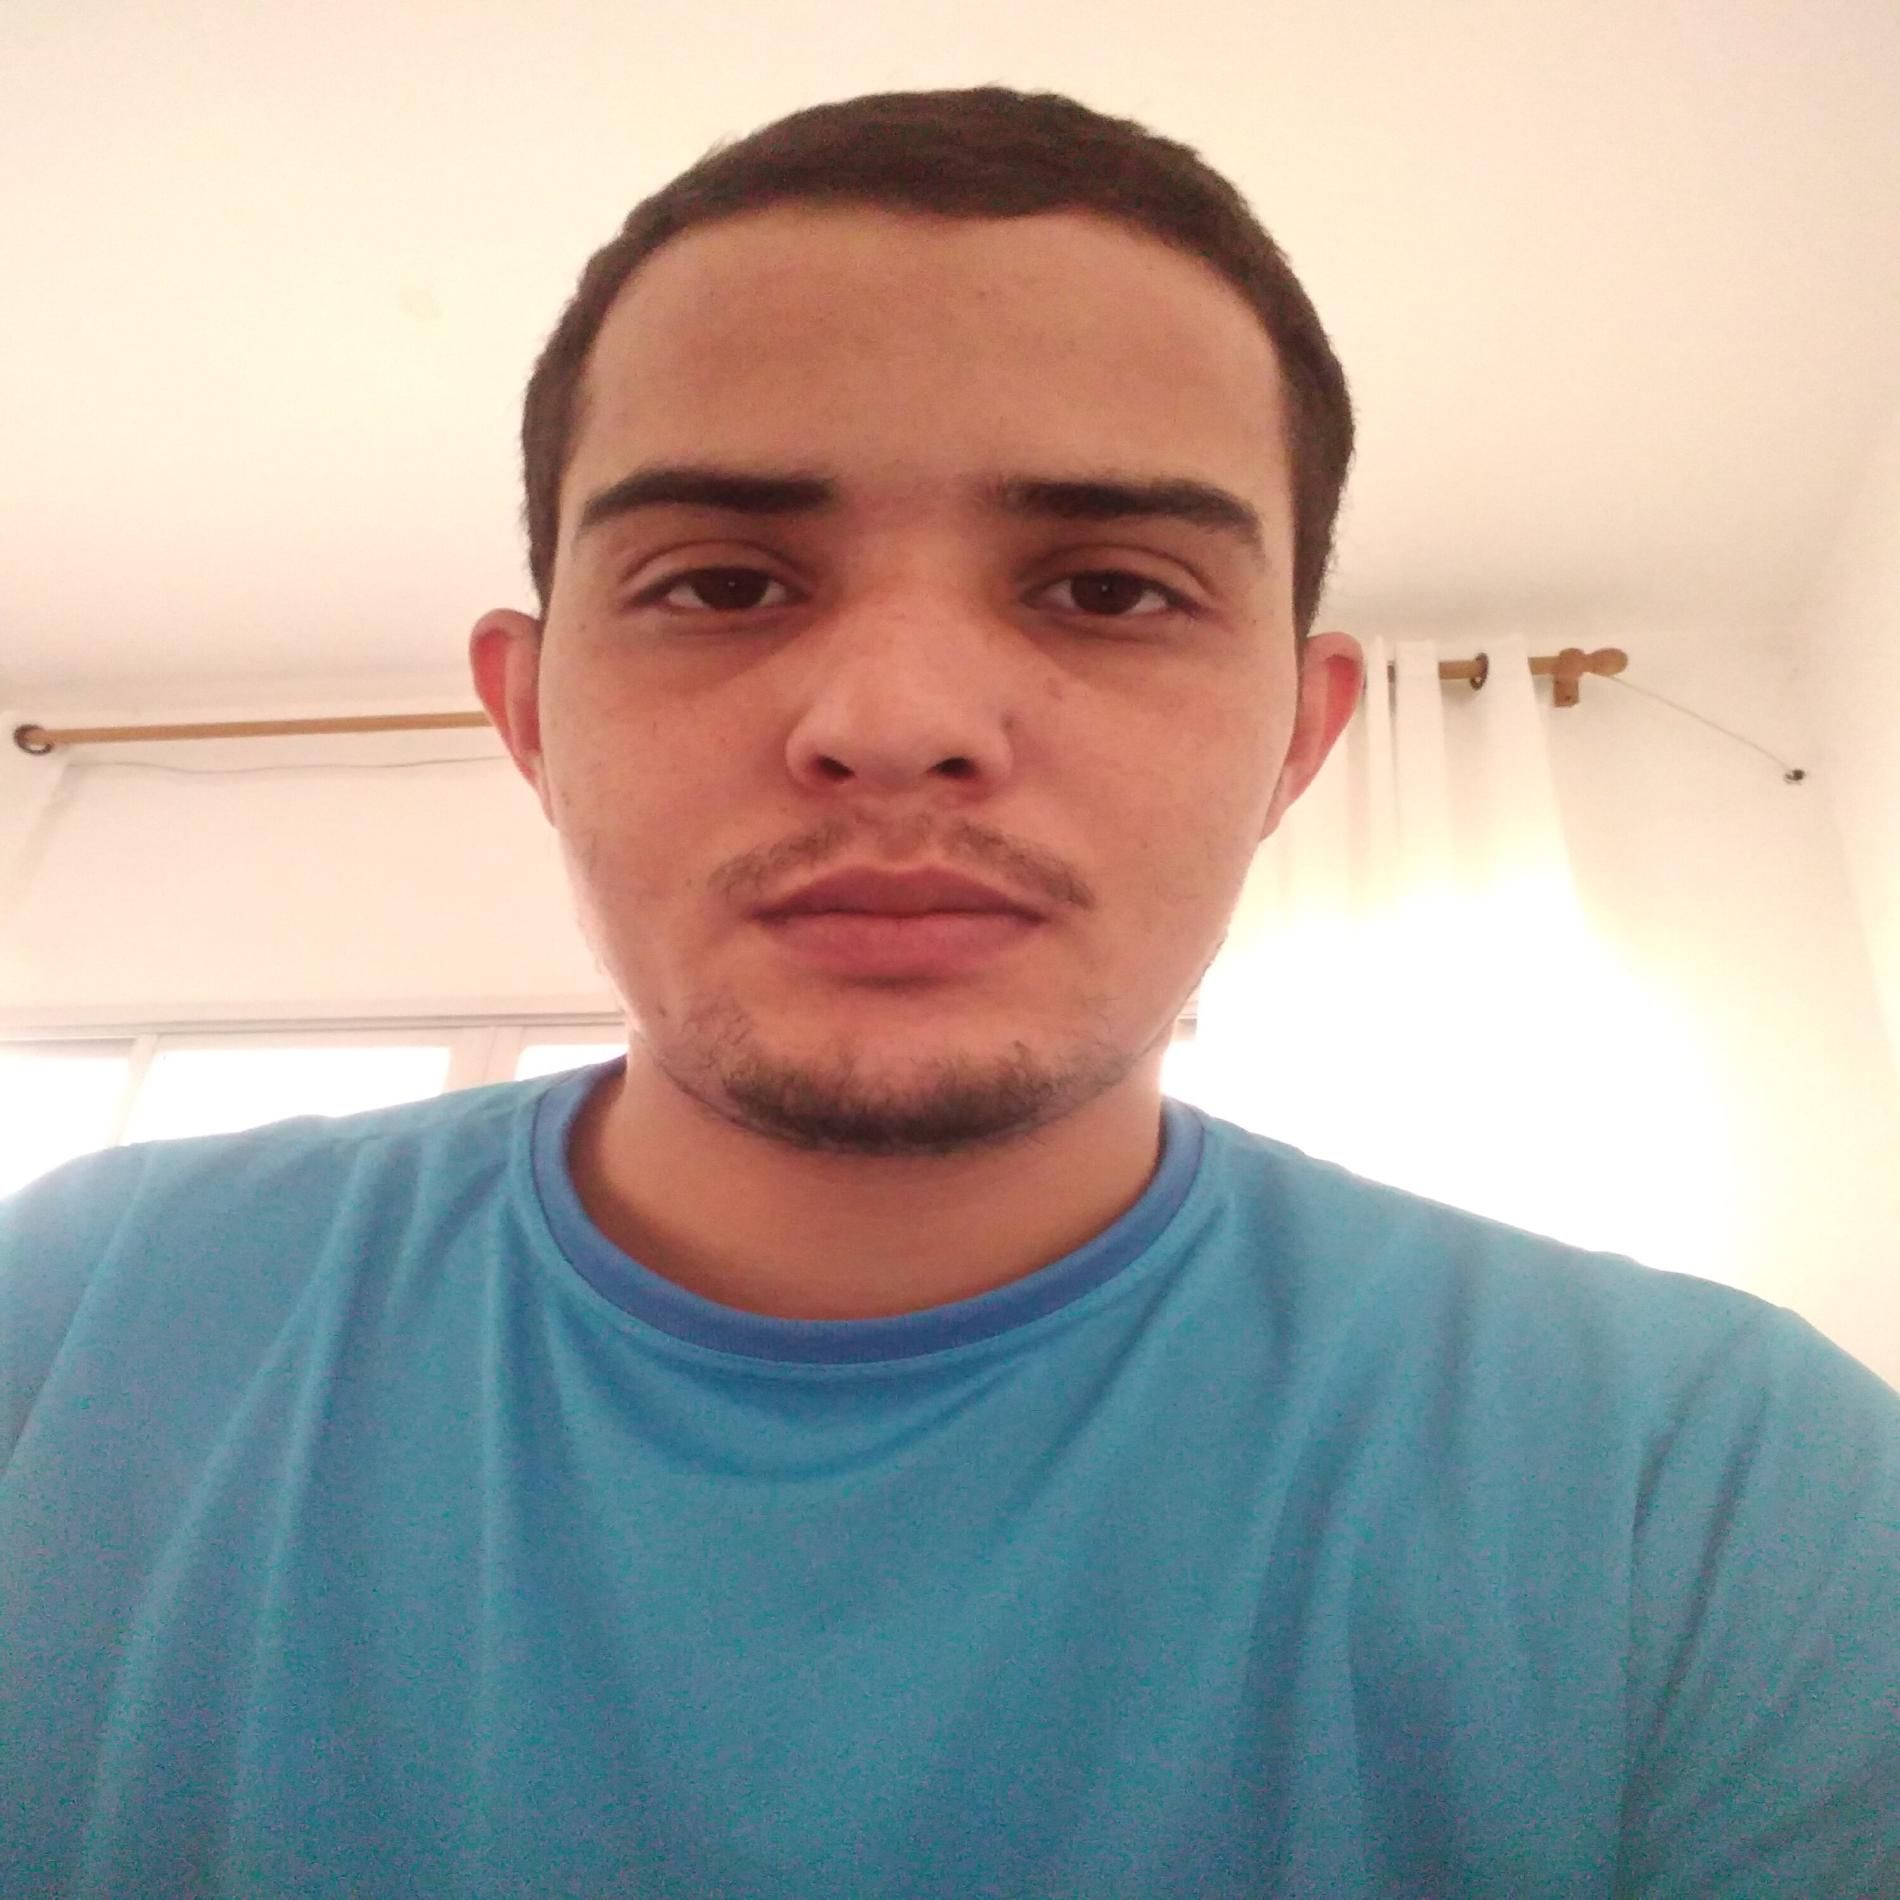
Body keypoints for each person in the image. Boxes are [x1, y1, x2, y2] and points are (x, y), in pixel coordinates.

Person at [2, 85, 1894, 1899]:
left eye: (1112, 589)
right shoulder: (68, 1325)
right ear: (531, 715)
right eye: (723, 584)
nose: (893, 722)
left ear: (1299, 740)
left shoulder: (1722, 1492)